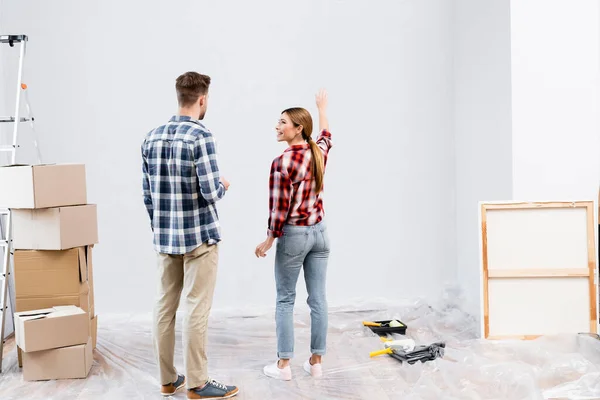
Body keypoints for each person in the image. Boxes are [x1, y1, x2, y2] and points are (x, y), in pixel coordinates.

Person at [141, 71, 239, 399]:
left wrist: (161, 229)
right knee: (197, 308)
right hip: (199, 238)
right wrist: (223, 185)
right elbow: (210, 191)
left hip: (165, 239)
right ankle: (197, 383)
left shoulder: (150, 138)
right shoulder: (201, 137)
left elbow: (148, 196)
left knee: (163, 307)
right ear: (202, 99)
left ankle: (168, 379)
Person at [255, 89, 333, 380]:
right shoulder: (318, 152)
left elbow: (278, 209)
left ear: (298, 128)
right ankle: (316, 362)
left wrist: (269, 239)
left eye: (283, 122)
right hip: (321, 234)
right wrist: (322, 107)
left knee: (285, 299)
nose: (277, 126)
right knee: (319, 299)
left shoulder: (282, 163)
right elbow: (326, 134)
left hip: (295, 235)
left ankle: (284, 366)